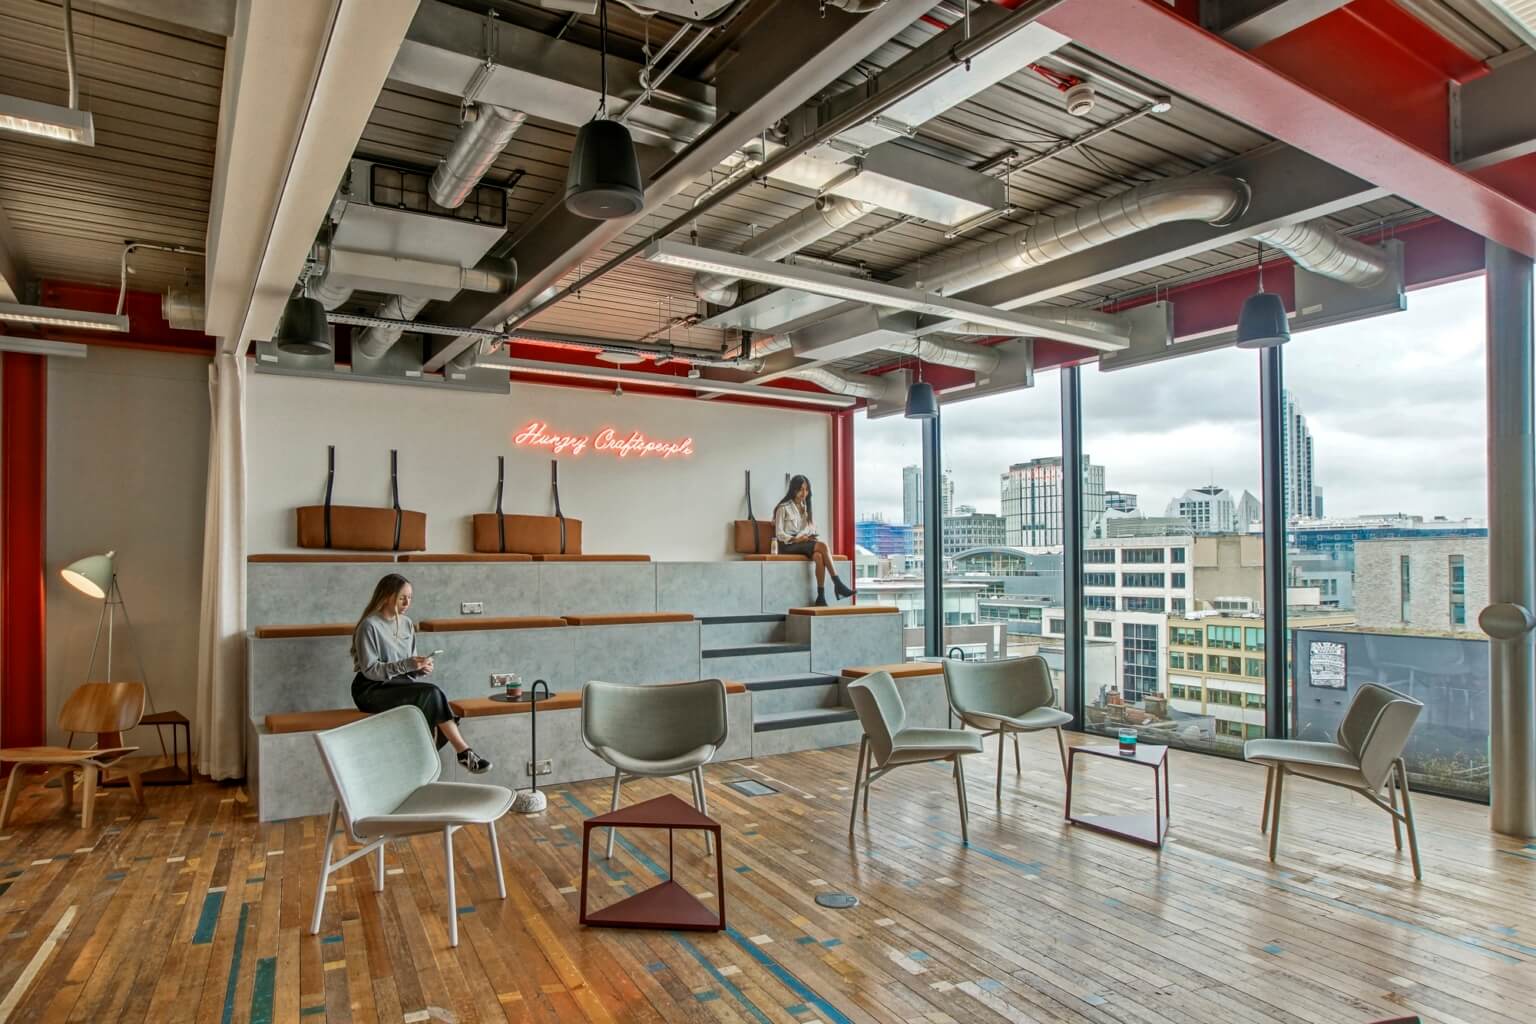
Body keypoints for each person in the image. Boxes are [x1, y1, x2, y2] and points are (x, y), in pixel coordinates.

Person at [350, 573, 492, 774]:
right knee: (433, 694)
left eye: (410, 597)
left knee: (432, 697)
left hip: (399, 685)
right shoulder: (369, 626)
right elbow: (371, 670)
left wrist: (419, 668)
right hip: (371, 688)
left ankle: (428, 759)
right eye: (402, 597)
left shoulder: (407, 623)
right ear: (387, 596)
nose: (407, 602)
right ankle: (460, 752)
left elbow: (408, 665)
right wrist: (407, 665)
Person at [773, 475, 853, 606]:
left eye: (806, 489)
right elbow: (779, 533)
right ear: (793, 490)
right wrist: (796, 539)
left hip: (802, 543)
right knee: (823, 546)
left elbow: (807, 528)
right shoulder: (783, 507)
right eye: (800, 489)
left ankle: (820, 597)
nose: (804, 493)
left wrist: (808, 534)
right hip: (787, 545)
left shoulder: (805, 508)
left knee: (819, 556)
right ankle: (838, 584)